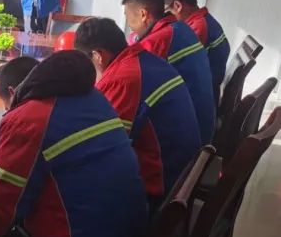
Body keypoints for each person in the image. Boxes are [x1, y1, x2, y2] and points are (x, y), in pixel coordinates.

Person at [0, 51, 147, 237]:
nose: (8, 113)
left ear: (12, 92)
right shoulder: (95, 98)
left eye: (7, 108)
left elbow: (3, 204)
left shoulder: (30, 118)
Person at [75, 17, 201, 201]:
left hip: (161, 188)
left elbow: (101, 148)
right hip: (182, 174)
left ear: (97, 56)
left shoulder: (122, 80)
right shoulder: (145, 61)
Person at [122, 0, 215, 145]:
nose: (128, 24)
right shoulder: (181, 29)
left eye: (127, 16)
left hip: (185, 140)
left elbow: (130, 87)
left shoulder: (155, 44)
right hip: (202, 123)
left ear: (143, 14)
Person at [163, 0, 230, 105]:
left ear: (177, 6)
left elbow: (174, 63)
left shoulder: (198, 27)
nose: (164, 17)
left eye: (166, 11)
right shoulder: (203, 20)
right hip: (208, 90)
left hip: (200, 98)